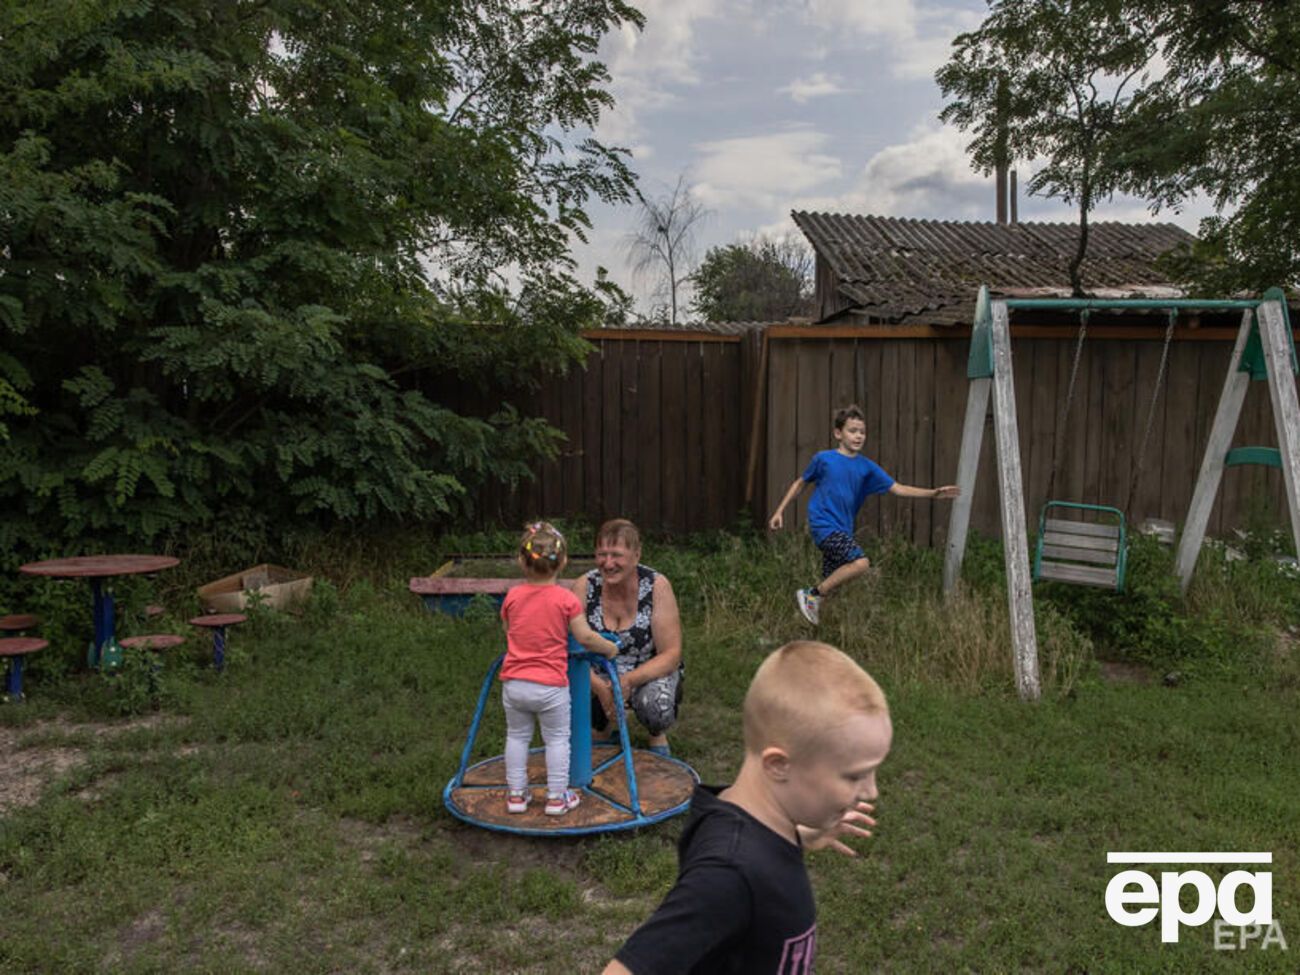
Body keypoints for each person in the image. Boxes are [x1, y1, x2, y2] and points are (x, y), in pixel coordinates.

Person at [602, 640, 892, 975]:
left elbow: (750, 846)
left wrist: (801, 836)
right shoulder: (728, 874)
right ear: (779, 765)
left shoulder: (738, 821)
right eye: (855, 775)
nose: (871, 791)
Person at [768, 403, 959, 625]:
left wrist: (934, 493)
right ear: (838, 433)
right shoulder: (824, 459)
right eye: (852, 431)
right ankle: (811, 594)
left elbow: (898, 488)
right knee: (860, 563)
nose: (858, 436)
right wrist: (779, 511)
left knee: (834, 586)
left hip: (843, 529)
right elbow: (800, 483)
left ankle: (809, 628)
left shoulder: (867, 468)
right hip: (823, 524)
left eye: (862, 432)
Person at [499, 521, 618, 816]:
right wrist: (609, 648)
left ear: (520, 561)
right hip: (550, 686)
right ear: (563, 562)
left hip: (514, 682)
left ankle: (516, 795)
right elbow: (584, 637)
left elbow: (509, 630)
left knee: (517, 737)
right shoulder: (566, 600)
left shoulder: (512, 596)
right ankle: (556, 797)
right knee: (556, 739)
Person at [572, 519, 682, 757]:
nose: (608, 563)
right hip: (597, 675)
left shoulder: (656, 586)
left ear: (636, 554)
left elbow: (671, 654)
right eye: (602, 554)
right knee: (558, 690)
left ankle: (656, 733)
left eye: (617, 555)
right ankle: (601, 727)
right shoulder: (584, 585)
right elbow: (569, 648)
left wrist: (629, 680)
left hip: (645, 674)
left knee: (657, 707)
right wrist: (600, 687)